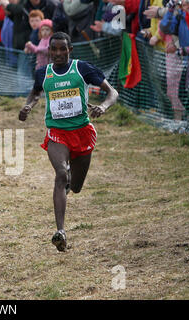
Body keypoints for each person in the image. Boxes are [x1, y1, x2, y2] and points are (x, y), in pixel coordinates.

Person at [18, 32, 118, 252]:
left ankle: (70, 182)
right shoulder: (43, 73)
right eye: (54, 49)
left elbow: (112, 92)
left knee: (76, 186)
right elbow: (35, 94)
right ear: (49, 51)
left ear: (70, 50)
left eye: (63, 49)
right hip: (57, 133)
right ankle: (60, 231)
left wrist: (103, 106)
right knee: (61, 175)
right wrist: (29, 106)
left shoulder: (82, 69)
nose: (58, 53)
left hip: (82, 132)